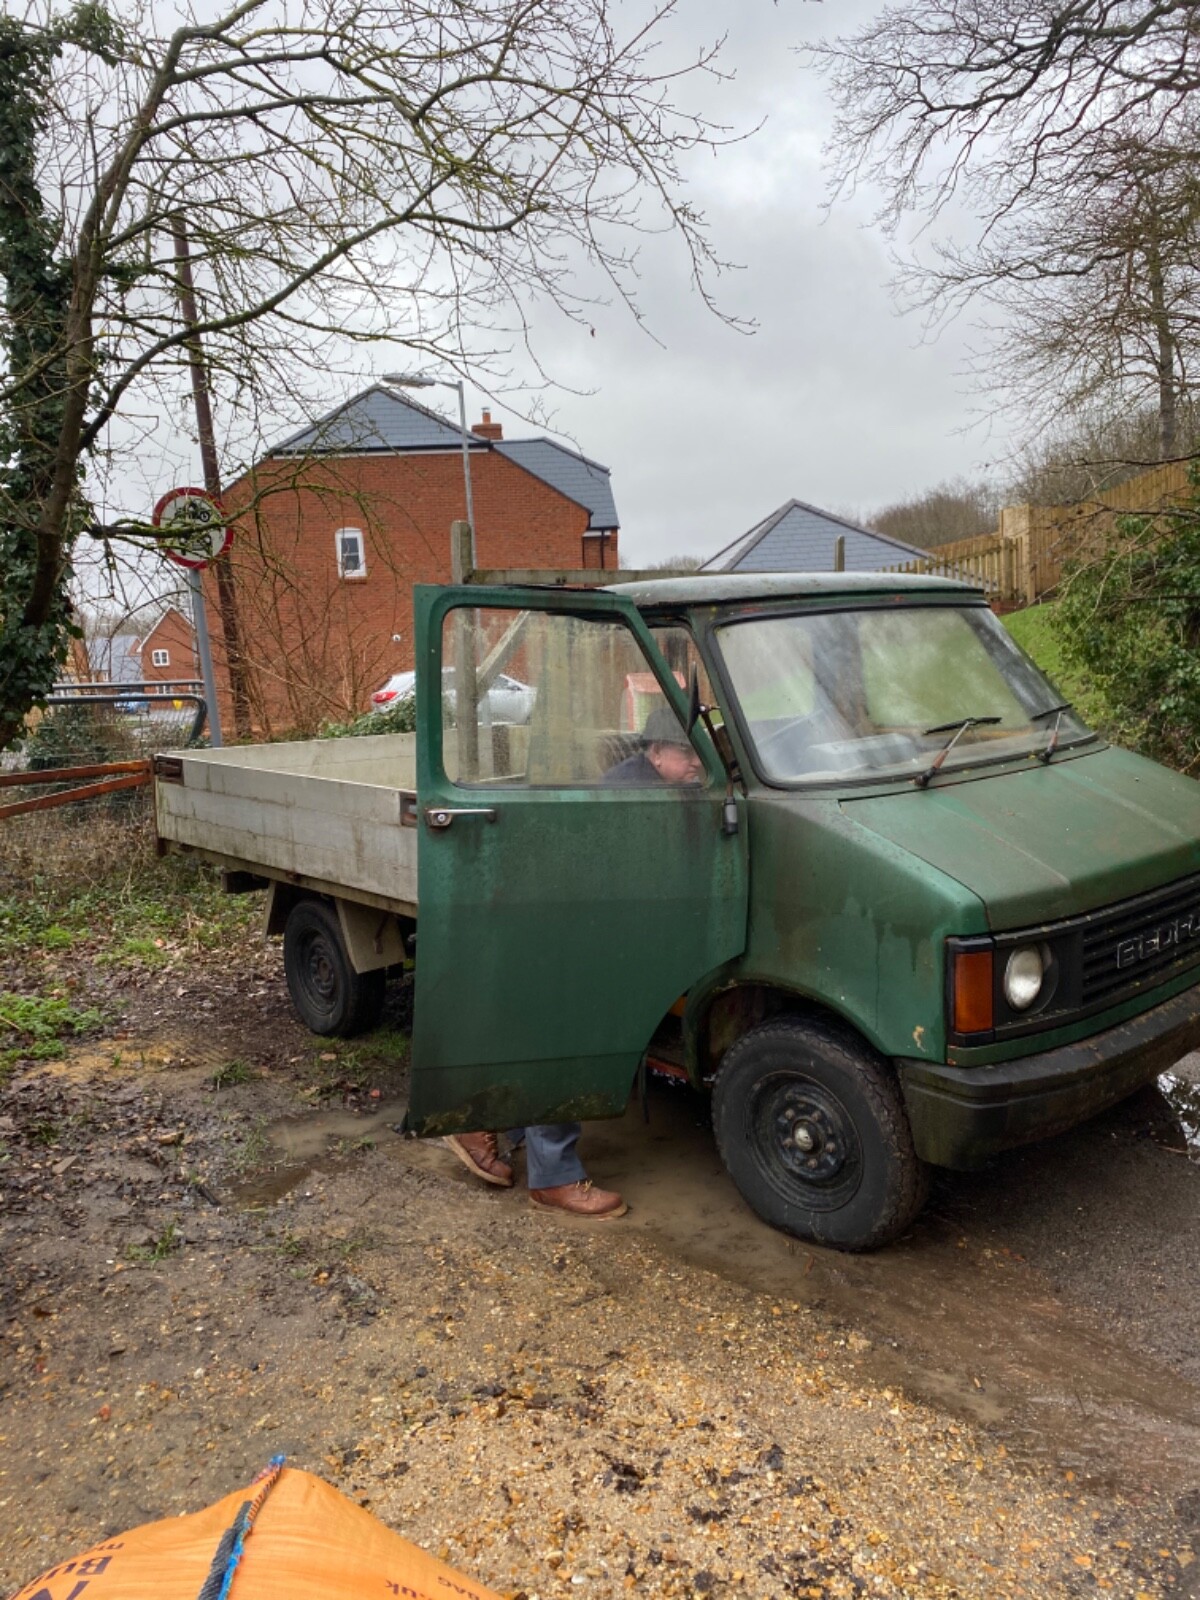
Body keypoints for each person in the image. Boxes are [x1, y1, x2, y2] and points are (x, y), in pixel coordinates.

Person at [443, 704, 703, 1216]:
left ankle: (486, 1124)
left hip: (578, 927)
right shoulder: (636, 792)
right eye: (687, 753)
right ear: (654, 753)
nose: (698, 763)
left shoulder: (654, 783)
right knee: (573, 1045)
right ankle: (553, 1178)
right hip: (575, 935)